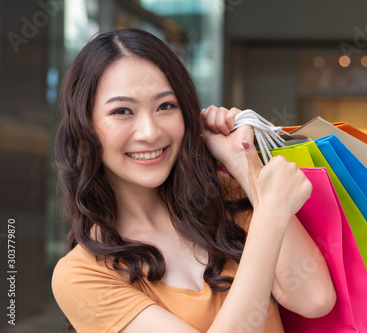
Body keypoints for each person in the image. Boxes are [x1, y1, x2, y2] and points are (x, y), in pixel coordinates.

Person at [51, 28, 335, 333]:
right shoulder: (80, 275)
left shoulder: (223, 199)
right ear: (86, 126)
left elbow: (315, 299)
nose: (150, 132)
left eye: (165, 106)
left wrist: (243, 163)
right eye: (122, 111)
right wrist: (270, 216)